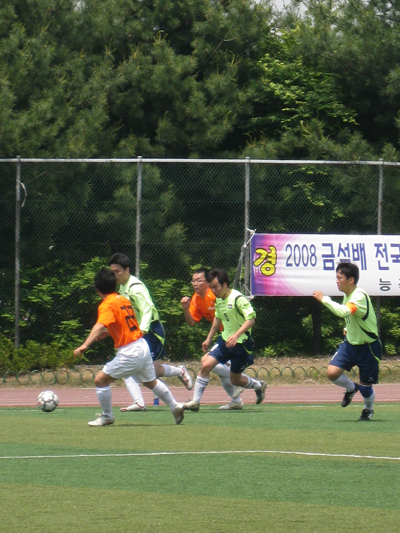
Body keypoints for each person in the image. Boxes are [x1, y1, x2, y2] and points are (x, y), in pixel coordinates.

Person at [73, 268, 184, 426]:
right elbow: (125, 324)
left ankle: (107, 416)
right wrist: (109, 333)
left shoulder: (107, 304)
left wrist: (84, 345)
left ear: (98, 290)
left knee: (100, 380)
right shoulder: (123, 299)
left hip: (130, 351)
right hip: (142, 345)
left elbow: (99, 325)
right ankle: (175, 406)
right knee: (150, 382)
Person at [108, 253, 192, 412]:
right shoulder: (123, 287)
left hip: (151, 331)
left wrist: (143, 330)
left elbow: (147, 309)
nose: (114, 275)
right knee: (128, 364)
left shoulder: (135, 287)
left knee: (152, 371)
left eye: (117, 271)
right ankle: (139, 402)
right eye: (112, 272)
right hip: (138, 332)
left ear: (127, 270)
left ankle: (180, 371)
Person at [183, 268, 267, 412]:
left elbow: (251, 319)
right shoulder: (219, 299)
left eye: (216, 287)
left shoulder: (238, 298)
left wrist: (236, 335)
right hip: (224, 341)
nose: (213, 291)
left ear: (225, 284)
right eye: (212, 287)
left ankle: (258, 386)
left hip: (241, 344)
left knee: (235, 379)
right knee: (205, 364)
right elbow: (218, 318)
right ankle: (195, 402)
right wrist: (209, 338)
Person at [313, 262, 381, 421]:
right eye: (336, 277)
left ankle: (368, 410)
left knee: (366, 388)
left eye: (340, 278)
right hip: (350, 344)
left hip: (368, 348)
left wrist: (324, 299)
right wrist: (347, 327)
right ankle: (351, 388)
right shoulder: (347, 294)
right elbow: (352, 316)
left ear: (351, 280)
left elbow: (344, 311)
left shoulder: (359, 296)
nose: (337, 281)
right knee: (332, 373)